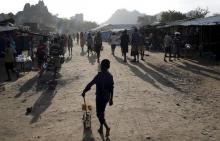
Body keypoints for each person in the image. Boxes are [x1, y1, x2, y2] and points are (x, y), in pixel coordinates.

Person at [82, 59, 114, 137]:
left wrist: (84, 91)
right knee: (102, 112)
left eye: (101, 65)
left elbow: (90, 84)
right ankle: (101, 128)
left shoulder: (99, 75)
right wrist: (111, 99)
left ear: (102, 67)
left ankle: (107, 127)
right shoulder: (110, 76)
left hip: (100, 97)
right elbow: (111, 88)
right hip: (107, 97)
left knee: (99, 114)